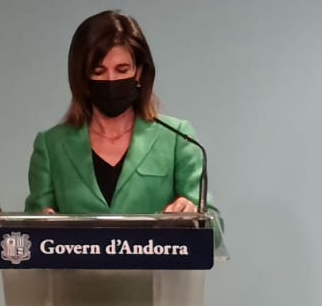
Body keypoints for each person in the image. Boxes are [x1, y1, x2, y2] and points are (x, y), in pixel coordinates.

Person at [26, 11, 211, 217]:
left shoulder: (177, 138)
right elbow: (31, 225)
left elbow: (214, 229)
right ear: (83, 78)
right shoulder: (51, 146)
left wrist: (194, 212)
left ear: (139, 72)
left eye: (122, 70)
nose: (111, 80)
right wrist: (41, 222)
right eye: (99, 71)